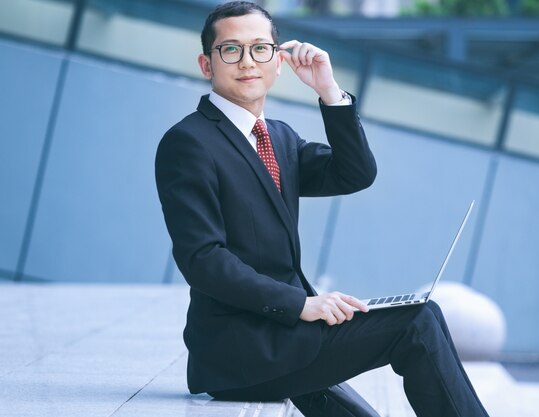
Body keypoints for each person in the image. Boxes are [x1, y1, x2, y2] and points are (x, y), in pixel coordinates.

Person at [155, 2, 490, 416]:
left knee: (423, 317)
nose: (247, 62)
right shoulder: (188, 143)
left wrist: (330, 92)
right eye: (231, 50)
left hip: (288, 337)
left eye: (260, 48)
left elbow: (354, 174)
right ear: (207, 64)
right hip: (243, 351)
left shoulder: (277, 137)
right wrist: (302, 305)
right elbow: (202, 259)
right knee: (417, 321)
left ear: (278, 61)